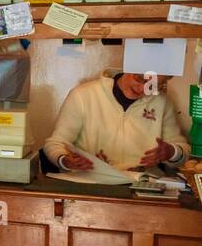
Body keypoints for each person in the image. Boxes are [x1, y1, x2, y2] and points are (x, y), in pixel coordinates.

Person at [42, 71, 188, 173]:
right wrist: (65, 161)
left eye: (154, 85)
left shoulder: (162, 102)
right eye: (141, 79)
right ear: (127, 67)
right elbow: (55, 143)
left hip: (142, 184)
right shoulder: (83, 95)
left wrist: (171, 152)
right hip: (91, 183)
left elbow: (183, 150)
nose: (144, 88)